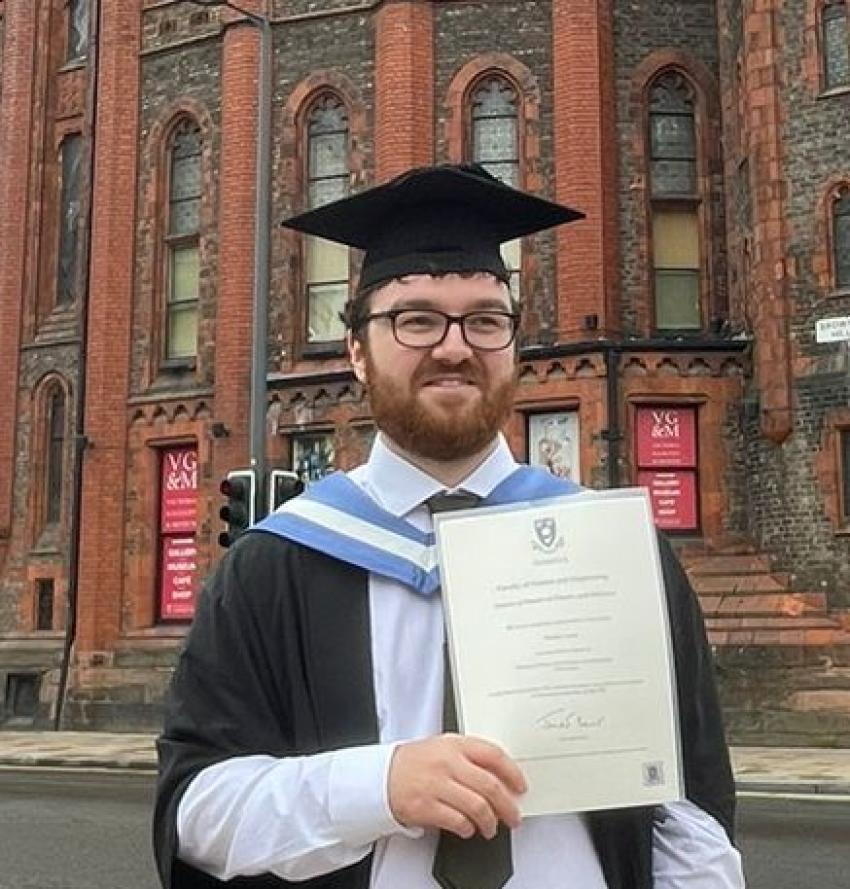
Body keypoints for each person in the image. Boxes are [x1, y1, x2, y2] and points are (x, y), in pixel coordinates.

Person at [153, 163, 743, 889]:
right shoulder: (274, 565)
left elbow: (689, 809)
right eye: (416, 317)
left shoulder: (614, 551)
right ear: (357, 352)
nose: (455, 346)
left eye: (485, 319)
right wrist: (379, 785)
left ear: (513, 346)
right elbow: (196, 813)